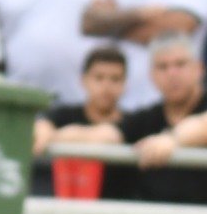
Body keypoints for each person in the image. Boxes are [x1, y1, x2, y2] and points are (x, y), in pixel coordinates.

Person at [56, 34, 207, 206]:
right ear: (152, 75)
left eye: (180, 64)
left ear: (199, 69)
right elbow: (106, 134)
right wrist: (51, 135)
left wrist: (172, 140)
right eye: (163, 67)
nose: (172, 73)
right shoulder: (148, 118)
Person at [34, 47, 140, 200]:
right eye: (99, 78)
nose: (106, 86)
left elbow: (109, 136)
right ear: (84, 80)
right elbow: (41, 130)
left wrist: (62, 137)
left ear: (125, 84)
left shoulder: (134, 122)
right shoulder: (62, 115)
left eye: (115, 79)